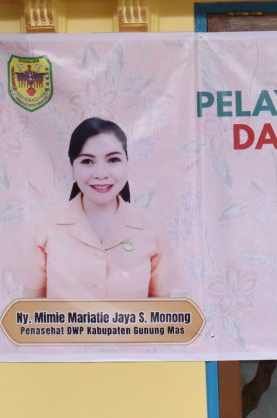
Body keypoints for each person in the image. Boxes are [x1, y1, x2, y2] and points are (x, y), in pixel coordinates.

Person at [26, 117, 179, 298]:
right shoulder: (45, 229)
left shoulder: (152, 230)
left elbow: (163, 310)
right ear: (72, 168)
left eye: (113, 159)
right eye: (87, 161)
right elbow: (30, 310)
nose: (100, 174)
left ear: (127, 164)